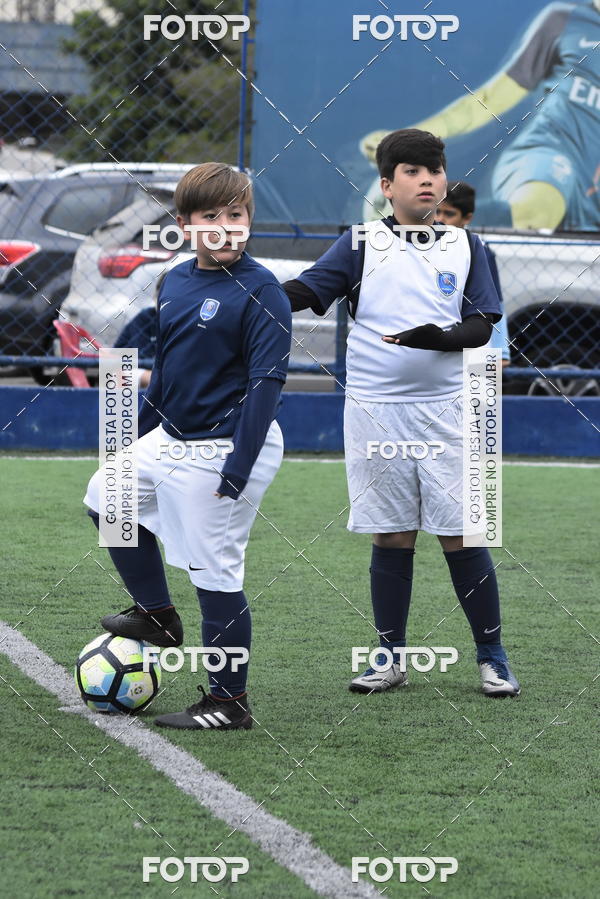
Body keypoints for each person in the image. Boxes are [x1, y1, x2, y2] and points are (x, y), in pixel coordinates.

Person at [283, 129, 520, 697]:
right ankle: (389, 657)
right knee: (391, 536)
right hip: (375, 413)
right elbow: (306, 289)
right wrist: (246, 285)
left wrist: (437, 339)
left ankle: (492, 656)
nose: (428, 180)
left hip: (447, 412)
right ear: (387, 186)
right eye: (413, 171)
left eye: (435, 170)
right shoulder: (360, 244)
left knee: (462, 534)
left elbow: (482, 323)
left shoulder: (468, 246)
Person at [84, 162, 292, 730]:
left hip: (230, 445)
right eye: (210, 217)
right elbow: (170, 371)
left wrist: (239, 466)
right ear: (184, 223)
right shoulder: (173, 280)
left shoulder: (264, 291)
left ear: (250, 221)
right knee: (108, 498)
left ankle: (229, 702)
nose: (225, 227)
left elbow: (266, 386)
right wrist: (135, 440)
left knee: (215, 572)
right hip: (172, 437)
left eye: (236, 215)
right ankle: (156, 616)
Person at [361, 1, 600, 231]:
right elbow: (489, 100)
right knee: (537, 211)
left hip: (593, 183)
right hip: (550, 152)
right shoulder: (565, 20)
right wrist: (406, 140)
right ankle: (408, 216)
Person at [437, 181, 511, 368]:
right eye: (437, 211)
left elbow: (495, 304)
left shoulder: (480, 251)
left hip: (478, 344)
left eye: (449, 213)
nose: (441, 219)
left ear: (467, 217)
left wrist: (501, 351)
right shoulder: (423, 246)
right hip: (438, 344)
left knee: (481, 396)